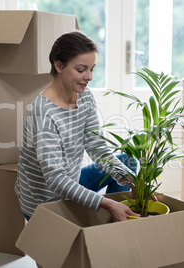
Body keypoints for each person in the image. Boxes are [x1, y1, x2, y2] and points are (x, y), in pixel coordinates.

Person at [14, 31, 139, 222]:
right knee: (105, 206)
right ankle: (113, 220)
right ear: (59, 65)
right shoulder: (42, 112)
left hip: (70, 182)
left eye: (92, 69)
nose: (88, 77)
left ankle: (118, 224)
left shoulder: (84, 96)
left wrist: (136, 183)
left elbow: (97, 147)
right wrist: (106, 203)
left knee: (128, 164)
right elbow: (55, 179)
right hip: (46, 202)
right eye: (81, 70)